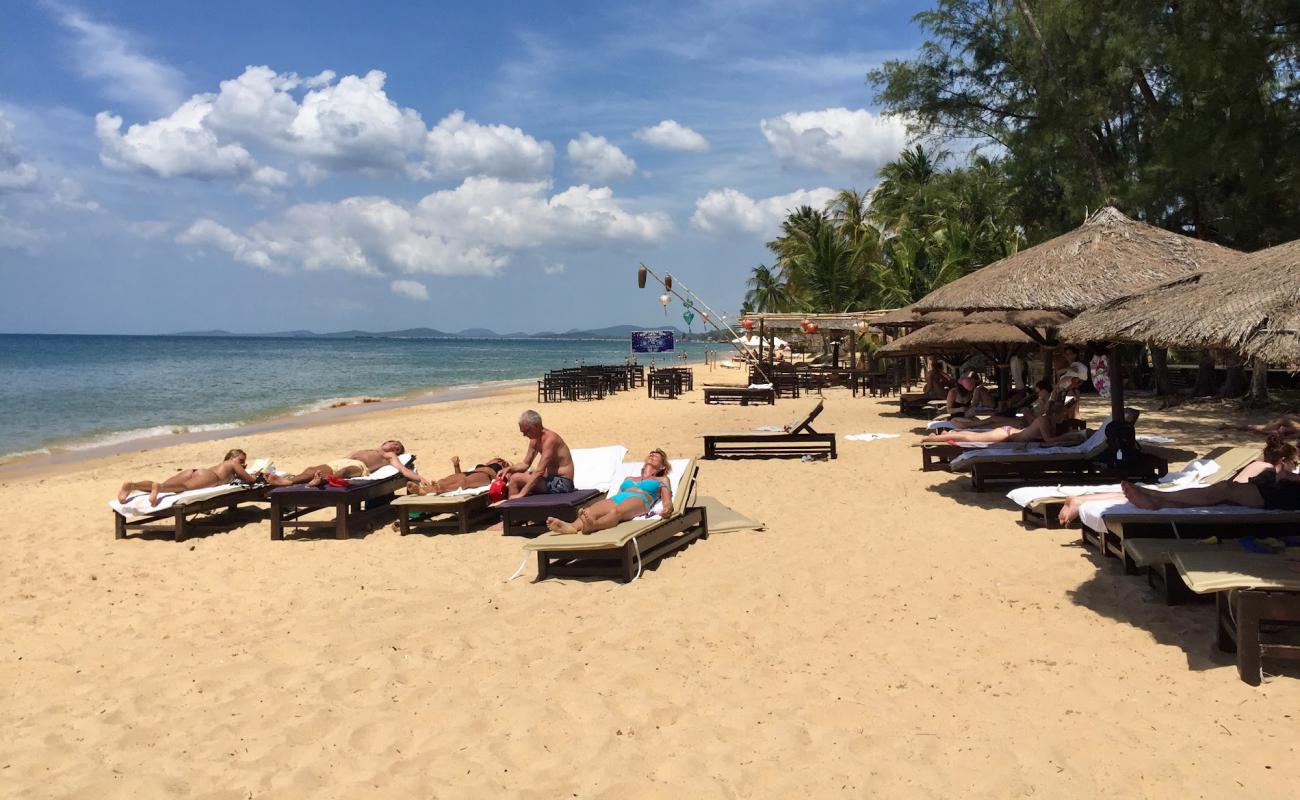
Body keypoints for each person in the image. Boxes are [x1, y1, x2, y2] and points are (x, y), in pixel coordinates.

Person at [1056, 435, 1300, 525]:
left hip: (1245, 496)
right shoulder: (1266, 466)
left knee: (1215, 492)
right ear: (1285, 459)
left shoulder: (1267, 467)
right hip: (1243, 494)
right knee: (1213, 492)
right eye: (1295, 463)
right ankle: (1153, 498)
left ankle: (1155, 498)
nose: (1295, 467)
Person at [546, 449, 673, 535]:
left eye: (656, 456)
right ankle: (572, 527)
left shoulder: (662, 479)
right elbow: (617, 494)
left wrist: (667, 508)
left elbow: (667, 501)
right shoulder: (629, 478)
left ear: (662, 467)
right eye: (651, 453)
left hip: (641, 499)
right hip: (618, 497)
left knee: (616, 512)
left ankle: (593, 525)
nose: (652, 455)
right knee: (589, 511)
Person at [117, 448, 262, 506]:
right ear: (232, 457)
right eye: (241, 460)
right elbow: (250, 480)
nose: (243, 463)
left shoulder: (222, 465)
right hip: (210, 477)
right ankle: (158, 487)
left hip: (195, 471)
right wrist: (252, 474)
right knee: (182, 488)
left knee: (165, 487)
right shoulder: (232, 464)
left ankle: (133, 485)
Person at [921, 397, 1075, 445]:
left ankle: (949, 433)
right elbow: (1049, 440)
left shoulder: (1050, 420)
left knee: (973, 435)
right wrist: (1069, 436)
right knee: (972, 437)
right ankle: (936, 438)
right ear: (1056, 414)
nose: (1065, 417)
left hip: (1011, 433)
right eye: (1063, 414)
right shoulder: (1044, 420)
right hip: (1006, 434)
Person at [276, 440, 421, 487]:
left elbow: (402, 469)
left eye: (397, 449)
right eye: (394, 443)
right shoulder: (366, 449)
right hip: (341, 462)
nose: (394, 447)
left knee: (346, 471)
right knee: (312, 469)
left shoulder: (388, 456)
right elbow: (343, 458)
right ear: (386, 442)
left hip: (360, 467)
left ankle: (322, 480)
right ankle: (288, 481)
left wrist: (420, 478)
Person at [504, 410, 575, 499]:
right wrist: (509, 469)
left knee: (515, 479)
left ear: (536, 426)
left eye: (526, 431)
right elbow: (525, 464)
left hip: (562, 483)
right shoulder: (534, 440)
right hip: (550, 479)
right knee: (513, 475)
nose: (524, 435)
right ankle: (516, 507)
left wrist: (521, 494)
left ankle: (511, 510)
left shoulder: (550, 439)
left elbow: (539, 471)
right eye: (522, 432)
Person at [948, 379, 1052, 431]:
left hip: (1024, 423)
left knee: (994, 423)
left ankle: (970, 427)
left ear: (1045, 391)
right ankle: (971, 426)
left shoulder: (1049, 405)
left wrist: (1027, 412)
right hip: (1023, 420)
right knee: (994, 418)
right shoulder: (1041, 401)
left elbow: (1041, 423)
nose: (1037, 394)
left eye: (1039, 391)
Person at [406, 455, 510, 496]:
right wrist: (456, 465)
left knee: (464, 482)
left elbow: (501, 475)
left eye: (494, 459)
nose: (491, 459)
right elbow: (459, 474)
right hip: (473, 472)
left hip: (486, 476)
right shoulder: (481, 465)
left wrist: (487, 468)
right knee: (444, 480)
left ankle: (441, 488)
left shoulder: (500, 465)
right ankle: (422, 490)